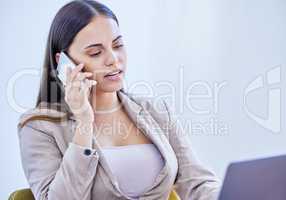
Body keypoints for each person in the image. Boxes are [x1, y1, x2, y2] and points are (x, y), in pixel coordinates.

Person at [17, 0, 221, 199]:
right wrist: (84, 124)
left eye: (118, 45)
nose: (113, 59)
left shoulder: (155, 111)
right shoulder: (39, 126)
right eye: (96, 52)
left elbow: (197, 182)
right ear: (64, 63)